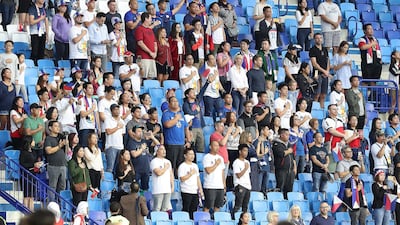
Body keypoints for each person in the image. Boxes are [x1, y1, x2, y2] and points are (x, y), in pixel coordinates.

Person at [162, 96, 191, 175]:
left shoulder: (181, 114)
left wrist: (188, 140)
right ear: (169, 104)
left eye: (176, 101)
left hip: (181, 144)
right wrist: (176, 118)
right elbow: (167, 124)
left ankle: (179, 182)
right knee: (171, 165)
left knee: (180, 166)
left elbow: (186, 128)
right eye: (173, 101)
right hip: (171, 144)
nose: (175, 103)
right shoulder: (166, 114)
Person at [178, 148, 203, 219]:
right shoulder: (182, 166)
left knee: (194, 210)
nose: (192, 156)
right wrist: (190, 174)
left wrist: (200, 189)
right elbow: (182, 179)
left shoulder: (195, 166)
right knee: (186, 209)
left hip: (194, 191)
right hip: (186, 191)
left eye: (193, 154)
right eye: (190, 154)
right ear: (185, 156)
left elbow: (197, 178)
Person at [126, 125, 153, 191]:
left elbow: (158, 145)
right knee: (135, 189)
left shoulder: (144, 141)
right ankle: (137, 201)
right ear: (134, 133)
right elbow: (134, 154)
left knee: (146, 188)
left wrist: (152, 137)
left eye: (141, 131)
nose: (140, 133)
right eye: (138, 131)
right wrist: (142, 149)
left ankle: (147, 201)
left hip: (146, 169)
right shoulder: (131, 142)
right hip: (136, 170)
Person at [44, 121, 67, 196]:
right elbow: (48, 151)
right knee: (53, 186)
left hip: (63, 164)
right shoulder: (48, 139)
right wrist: (59, 146)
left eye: (58, 126)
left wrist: (66, 144)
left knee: (62, 186)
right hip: (53, 165)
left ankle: (61, 204)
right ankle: (52, 204)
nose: (58, 128)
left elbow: (66, 151)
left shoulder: (60, 137)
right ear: (50, 128)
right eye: (56, 126)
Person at [272, 128, 296, 198]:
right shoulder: (276, 144)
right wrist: (288, 151)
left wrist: (294, 167)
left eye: (289, 135)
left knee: (289, 189)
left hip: (290, 170)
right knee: (280, 187)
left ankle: (287, 203)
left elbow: (293, 157)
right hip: (281, 169)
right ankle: (278, 201)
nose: (288, 136)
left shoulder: (289, 144)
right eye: (286, 134)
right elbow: (281, 154)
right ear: (282, 135)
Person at [19, 136, 42, 211]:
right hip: (26, 175)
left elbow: (35, 161)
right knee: (26, 196)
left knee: (32, 196)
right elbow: (22, 164)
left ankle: (31, 212)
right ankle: (25, 211)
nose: (34, 142)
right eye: (33, 141)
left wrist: (38, 164)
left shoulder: (33, 151)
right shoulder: (23, 152)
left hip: (33, 175)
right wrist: (33, 165)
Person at [310, 33, 332, 108]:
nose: (319, 39)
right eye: (317, 38)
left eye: (320, 38)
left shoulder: (325, 49)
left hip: (325, 74)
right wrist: (324, 71)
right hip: (317, 73)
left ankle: (321, 109)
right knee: (317, 94)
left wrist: (327, 71)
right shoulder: (312, 50)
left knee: (323, 94)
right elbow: (314, 64)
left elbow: (328, 60)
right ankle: (315, 109)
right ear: (314, 39)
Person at [203, 141, 226, 212]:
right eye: (215, 145)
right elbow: (208, 170)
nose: (217, 147)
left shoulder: (220, 158)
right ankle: (204, 221)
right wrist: (216, 164)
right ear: (210, 147)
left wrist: (224, 185)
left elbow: (222, 172)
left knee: (218, 206)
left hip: (219, 186)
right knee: (208, 206)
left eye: (218, 146)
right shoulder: (206, 157)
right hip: (210, 186)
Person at [151, 145, 174, 212]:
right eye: (161, 149)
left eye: (164, 149)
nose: (164, 151)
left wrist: (172, 186)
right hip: (158, 189)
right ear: (157, 152)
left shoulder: (168, 161)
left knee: (165, 209)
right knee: (157, 209)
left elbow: (171, 174)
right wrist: (165, 167)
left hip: (167, 189)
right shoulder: (154, 161)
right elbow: (158, 173)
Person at [136, 12, 158, 80]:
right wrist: (150, 52)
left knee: (150, 77)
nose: (151, 20)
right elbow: (140, 43)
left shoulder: (150, 30)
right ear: (146, 19)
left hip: (152, 57)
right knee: (142, 76)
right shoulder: (139, 29)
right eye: (150, 18)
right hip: (143, 57)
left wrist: (155, 53)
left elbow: (155, 43)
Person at [105, 104, 125, 173]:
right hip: (111, 146)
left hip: (120, 147)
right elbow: (108, 131)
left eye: (118, 109)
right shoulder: (108, 120)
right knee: (110, 168)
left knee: (119, 168)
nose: (117, 111)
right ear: (111, 111)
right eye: (115, 109)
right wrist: (118, 127)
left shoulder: (122, 121)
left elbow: (122, 134)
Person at [78, 82, 100, 147]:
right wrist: (92, 109)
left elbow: (96, 115)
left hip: (93, 127)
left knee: (93, 147)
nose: (92, 90)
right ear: (84, 90)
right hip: (84, 127)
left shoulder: (94, 101)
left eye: (92, 88)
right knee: (84, 147)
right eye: (89, 88)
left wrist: (99, 127)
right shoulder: (82, 100)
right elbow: (82, 114)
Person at [232, 144, 251, 214]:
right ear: (240, 152)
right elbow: (238, 175)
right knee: (238, 205)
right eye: (244, 151)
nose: (246, 153)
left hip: (247, 186)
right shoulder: (236, 162)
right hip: (240, 185)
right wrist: (245, 168)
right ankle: (233, 218)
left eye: (247, 151)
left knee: (245, 207)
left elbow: (248, 175)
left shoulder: (247, 162)